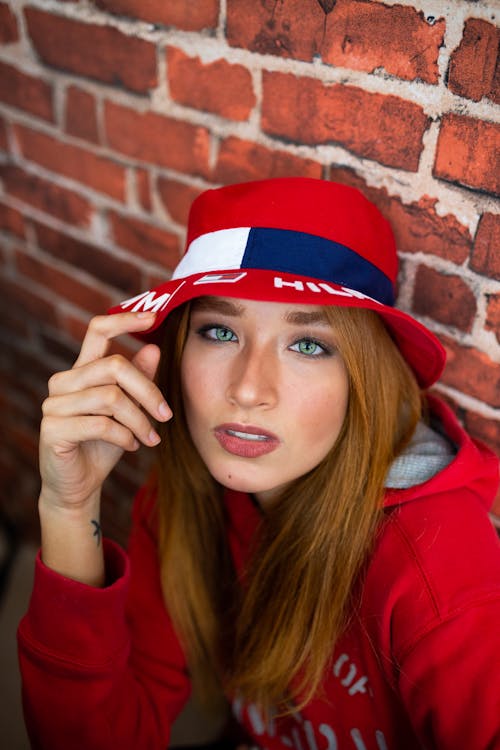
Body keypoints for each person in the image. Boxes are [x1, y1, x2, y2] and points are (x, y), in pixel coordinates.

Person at [18, 178, 500, 750]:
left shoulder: (442, 565)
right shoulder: (188, 491)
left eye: (308, 345)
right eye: (220, 332)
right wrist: (70, 508)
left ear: (363, 380)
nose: (248, 390)